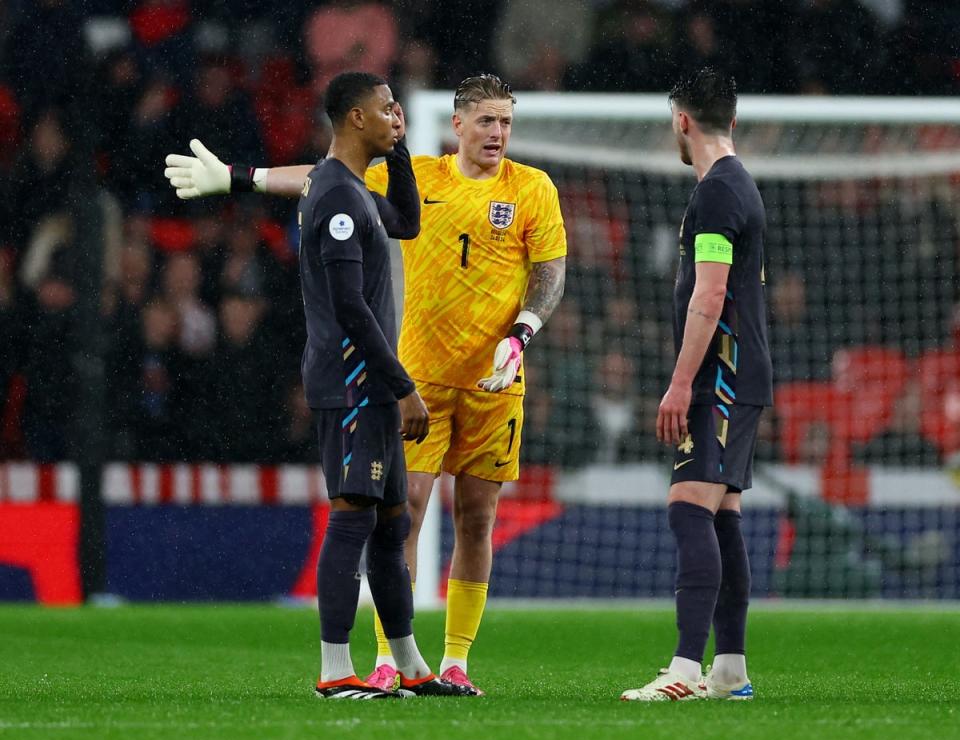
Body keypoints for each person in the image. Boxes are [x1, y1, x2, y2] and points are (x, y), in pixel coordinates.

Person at [164, 73, 567, 695]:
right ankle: (383, 658)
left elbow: (550, 271)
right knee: (394, 517)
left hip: (495, 377)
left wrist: (521, 335)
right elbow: (322, 176)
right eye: (486, 121)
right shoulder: (411, 178)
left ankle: (452, 661)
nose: (497, 133)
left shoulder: (533, 188)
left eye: (505, 122)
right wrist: (241, 177)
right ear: (457, 125)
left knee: (476, 519)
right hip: (410, 375)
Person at [620, 68, 772, 702]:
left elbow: (709, 294)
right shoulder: (739, 185)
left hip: (721, 378)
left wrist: (681, 384)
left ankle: (684, 671)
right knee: (723, 517)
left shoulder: (715, 193)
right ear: (730, 119)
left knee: (689, 510)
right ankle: (729, 669)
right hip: (742, 373)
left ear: (682, 121)